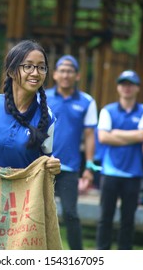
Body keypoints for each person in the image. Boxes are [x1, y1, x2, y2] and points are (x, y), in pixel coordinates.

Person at [0, 39, 60, 190]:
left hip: (26, 198)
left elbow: (46, 157)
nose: (35, 73)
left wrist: (53, 165)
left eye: (41, 67)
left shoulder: (47, 117)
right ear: (12, 71)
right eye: (28, 66)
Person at [96, 70, 143, 249]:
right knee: (105, 217)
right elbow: (103, 138)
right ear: (118, 87)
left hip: (133, 173)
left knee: (128, 220)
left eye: (130, 84)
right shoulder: (107, 110)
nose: (126, 87)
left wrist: (116, 132)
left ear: (137, 88)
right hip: (110, 172)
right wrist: (132, 136)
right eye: (123, 83)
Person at [45, 55, 98, 249]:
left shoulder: (87, 101)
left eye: (70, 71)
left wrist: (89, 167)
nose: (66, 75)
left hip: (69, 167)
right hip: (43, 164)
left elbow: (90, 135)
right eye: (62, 70)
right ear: (55, 74)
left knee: (70, 213)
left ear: (77, 76)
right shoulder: (42, 96)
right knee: (38, 211)